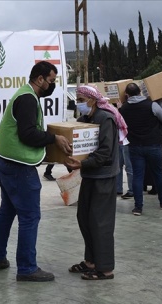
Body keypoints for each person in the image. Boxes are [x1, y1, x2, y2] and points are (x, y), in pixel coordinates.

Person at [0, 61, 72, 282]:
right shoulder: (27, 99)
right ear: (40, 79)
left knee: (7, 210)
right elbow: (27, 134)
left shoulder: (26, 95)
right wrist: (54, 138)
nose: (52, 85)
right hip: (18, 166)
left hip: (4, 162)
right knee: (30, 216)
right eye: (51, 81)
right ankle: (26, 268)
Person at [64, 85, 124, 280]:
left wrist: (83, 163)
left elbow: (105, 152)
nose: (78, 102)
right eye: (77, 98)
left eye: (81, 98)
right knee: (85, 218)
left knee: (101, 223)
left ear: (92, 99)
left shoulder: (105, 119)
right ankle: (91, 261)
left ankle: (105, 268)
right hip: (89, 175)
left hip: (103, 176)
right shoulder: (85, 120)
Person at [119, 83, 162, 216]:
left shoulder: (124, 109)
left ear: (127, 94)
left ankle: (138, 207)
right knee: (158, 173)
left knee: (138, 176)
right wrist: (159, 103)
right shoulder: (151, 105)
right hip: (153, 145)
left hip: (134, 146)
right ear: (140, 92)